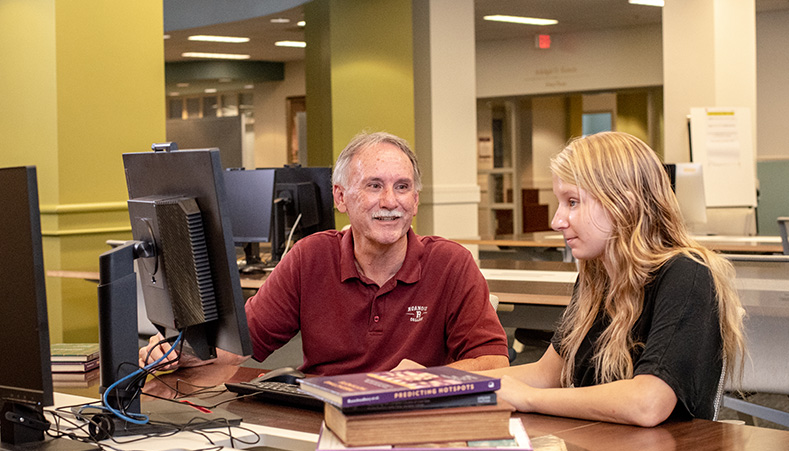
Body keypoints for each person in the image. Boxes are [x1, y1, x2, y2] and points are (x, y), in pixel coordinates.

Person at [139, 131, 510, 375]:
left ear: (415, 200)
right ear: (340, 197)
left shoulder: (450, 264)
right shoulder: (309, 257)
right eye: (373, 186)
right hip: (321, 421)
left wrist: (428, 378)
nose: (390, 201)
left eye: (402, 187)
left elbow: (494, 362)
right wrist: (176, 351)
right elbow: (241, 346)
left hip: (413, 424)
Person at [482, 131, 745, 427]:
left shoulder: (686, 275)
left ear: (624, 204)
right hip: (604, 450)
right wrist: (442, 384)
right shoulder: (596, 277)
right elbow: (546, 375)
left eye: (572, 202)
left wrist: (528, 399)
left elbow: (648, 403)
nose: (556, 221)